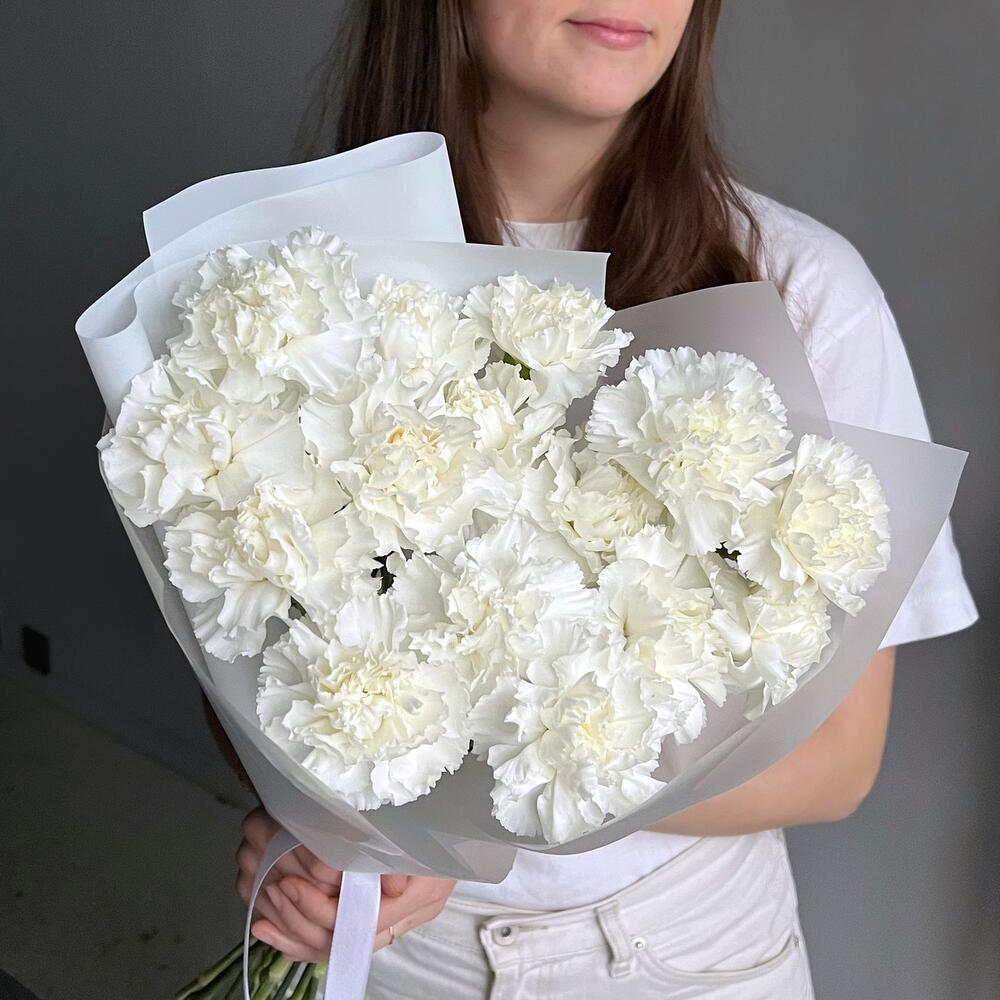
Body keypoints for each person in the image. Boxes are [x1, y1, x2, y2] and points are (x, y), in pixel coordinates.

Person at [231, 2, 979, 997]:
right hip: (400, 949)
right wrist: (313, 831)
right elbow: (239, 629)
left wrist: (459, 819)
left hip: (683, 953)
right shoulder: (283, 288)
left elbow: (839, 760)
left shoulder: (802, 290)